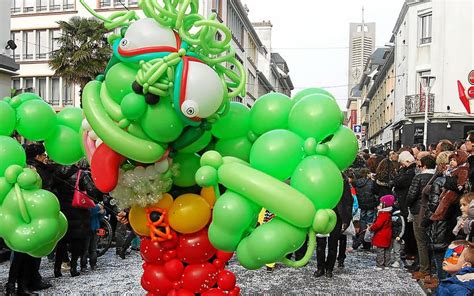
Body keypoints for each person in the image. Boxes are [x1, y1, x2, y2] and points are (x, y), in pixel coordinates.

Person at [5, 144, 55, 296]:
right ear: (38, 156)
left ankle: (27, 282)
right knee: (23, 253)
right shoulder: (31, 171)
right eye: (44, 155)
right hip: (28, 215)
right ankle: (18, 286)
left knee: (29, 252)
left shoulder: (29, 168)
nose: (46, 158)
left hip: (27, 214)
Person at [53, 165, 92, 277]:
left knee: (61, 241)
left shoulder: (56, 172)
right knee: (77, 241)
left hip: (61, 211)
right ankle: (73, 268)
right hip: (78, 211)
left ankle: (57, 269)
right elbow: (92, 190)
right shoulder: (81, 174)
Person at [314, 173, 353, 278]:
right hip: (322, 215)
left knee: (333, 244)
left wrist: (346, 219)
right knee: (320, 244)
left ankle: (329, 269)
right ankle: (320, 268)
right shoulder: (320, 177)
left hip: (337, 217)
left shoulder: (342, 179)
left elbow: (348, 200)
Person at [406, 155, 436, 280]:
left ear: (423, 165)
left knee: (421, 240)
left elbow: (411, 195)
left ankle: (424, 269)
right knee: (430, 239)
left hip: (419, 211)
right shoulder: (437, 177)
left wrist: (407, 204)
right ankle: (430, 267)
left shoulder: (418, 177)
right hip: (432, 211)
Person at [352, 168, 377, 250]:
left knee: (362, 222)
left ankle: (361, 240)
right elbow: (375, 192)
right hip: (370, 205)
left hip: (361, 205)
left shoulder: (357, 183)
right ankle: (367, 242)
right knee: (369, 223)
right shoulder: (371, 182)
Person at [369, 194, 394, 270]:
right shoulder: (389, 213)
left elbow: (378, 224)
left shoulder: (383, 214)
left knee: (380, 250)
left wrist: (371, 228)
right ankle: (387, 264)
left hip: (381, 235)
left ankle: (380, 265)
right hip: (388, 235)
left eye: (381, 203)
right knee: (387, 250)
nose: (379, 204)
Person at [81, 202, 105, 271]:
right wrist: (99, 208)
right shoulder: (92, 205)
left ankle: (86, 266)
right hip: (90, 228)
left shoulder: (87, 203)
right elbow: (90, 213)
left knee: (89, 249)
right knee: (90, 249)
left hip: (92, 228)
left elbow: (100, 217)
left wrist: (102, 212)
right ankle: (91, 265)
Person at [391, 200, 405, 268]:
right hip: (392, 235)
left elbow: (402, 227)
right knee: (393, 249)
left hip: (396, 236)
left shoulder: (400, 217)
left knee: (397, 250)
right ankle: (394, 260)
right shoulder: (392, 215)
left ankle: (397, 261)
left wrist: (400, 236)